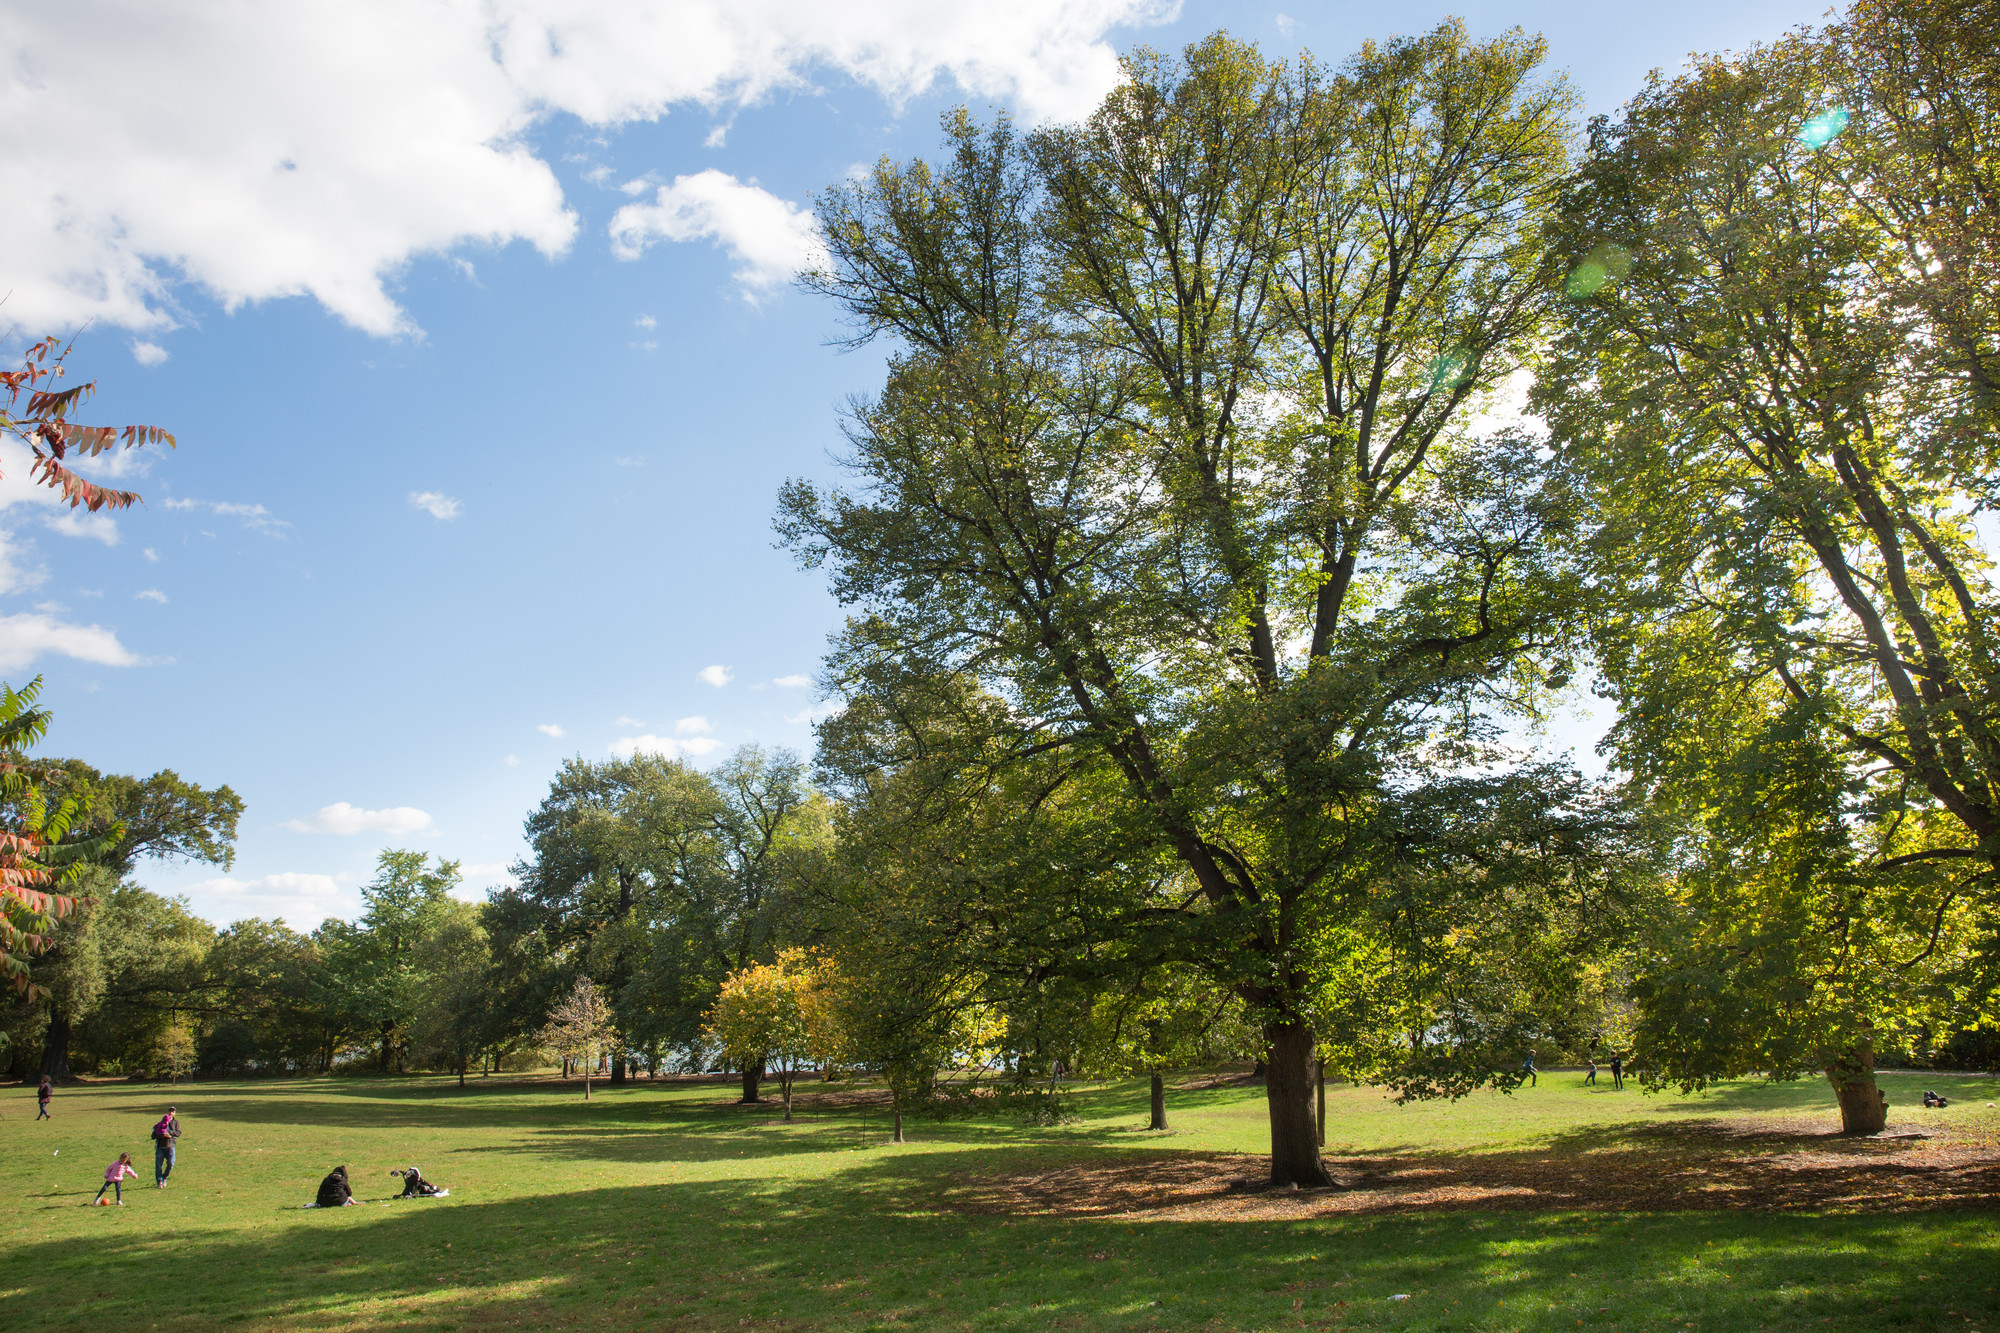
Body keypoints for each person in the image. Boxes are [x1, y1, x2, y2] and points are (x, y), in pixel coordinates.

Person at [151, 1107, 181, 1187]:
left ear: (175, 1113)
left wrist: (169, 1133)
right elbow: (153, 1135)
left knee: (171, 1163)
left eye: (173, 1111)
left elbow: (178, 1133)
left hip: (171, 1146)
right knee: (158, 1165)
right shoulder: (161, 1123)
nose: (171, 1113)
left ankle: (164, 1177)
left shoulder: (176, 1123)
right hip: (161, 1146)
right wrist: (162, 1135)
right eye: (170, 1111)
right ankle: (159, 1181)